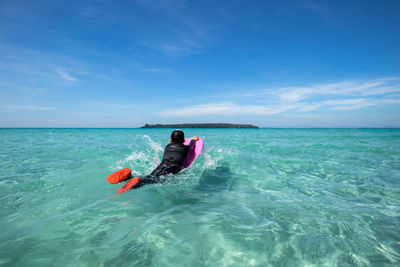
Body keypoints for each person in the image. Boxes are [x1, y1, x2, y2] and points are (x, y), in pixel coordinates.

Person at [117, 130, 199, 192]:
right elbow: (191, 146)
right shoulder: (185, 148)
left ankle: (129, 178)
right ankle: (132, 186)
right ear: (184, 141)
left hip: (161, 166)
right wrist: (193, 139)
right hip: (172, 168)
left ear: (170, 140)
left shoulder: (168, 146)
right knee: (154, 181)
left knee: (149, 177)